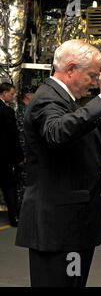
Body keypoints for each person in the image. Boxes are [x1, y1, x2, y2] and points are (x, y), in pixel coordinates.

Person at [15, 39, 101, 287]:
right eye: (92, 75)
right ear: (72, 68)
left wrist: (97, 163)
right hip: (59, 227)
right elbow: (56, 132)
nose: (95, 83)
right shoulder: (48, 99)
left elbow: (61, 150)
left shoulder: (62, 99)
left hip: (70, 226)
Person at [0, 82, 24, 227]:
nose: (13, 96)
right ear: (3, 93)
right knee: (9, 188)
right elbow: (13, 137)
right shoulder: (7, 112)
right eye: (11, 93)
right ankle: (14, 217)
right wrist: (19, 157)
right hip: (4, 158)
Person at [15, 85, 37, 214]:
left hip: (25, 153)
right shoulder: (24, 112)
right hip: (25, 154)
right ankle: (23, 212)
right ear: (28, 95)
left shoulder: (25, 110)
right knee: (24, 184)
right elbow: (23, 136)